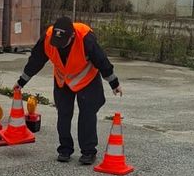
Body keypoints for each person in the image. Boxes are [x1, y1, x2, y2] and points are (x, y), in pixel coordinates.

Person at [15, 16, 122, 165]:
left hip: (86, 79)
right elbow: (36, 60)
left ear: (71, 36)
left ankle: (88, 151)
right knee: (64, 113)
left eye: (62, 43)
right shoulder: (48, 37)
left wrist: (114, 83)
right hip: (62, 79)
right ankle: (64, 149)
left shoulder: (85, 37)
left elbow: (101, 60)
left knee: (87, 113)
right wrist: (22, 81)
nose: (58, 46)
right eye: (56, 43)